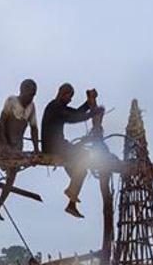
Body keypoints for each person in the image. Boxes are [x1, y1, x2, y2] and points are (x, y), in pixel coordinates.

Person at [0, 78, 41, 219]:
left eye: (34, 95)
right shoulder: (11, 101)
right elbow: (2, 121)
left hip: (16, 146)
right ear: (22, 91)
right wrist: (4, 144)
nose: (31, 97)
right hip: (2, 140)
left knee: (11, 178)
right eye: (30, 94)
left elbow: (34, 129)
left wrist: (36, 149)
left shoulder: (31, 107)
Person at [39, 83, 104, 218]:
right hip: (53, 148)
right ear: (63, 93)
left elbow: (76, 113)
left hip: (59, 146)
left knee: (81, 172)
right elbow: (73, 118)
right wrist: (94, 112)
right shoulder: (54, 107)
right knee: (84, 154)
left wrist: (88, 103)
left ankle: (71, 204)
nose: (70, 100)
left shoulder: (59, 107)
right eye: (69, 97)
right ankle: (71, 192)